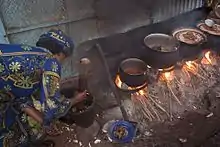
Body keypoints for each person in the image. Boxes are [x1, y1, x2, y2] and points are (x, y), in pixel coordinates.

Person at [0, 29, 87, 147]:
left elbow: (18, 97)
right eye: (65, 58)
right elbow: (53, 106)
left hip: (5, 98)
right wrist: (75, 100)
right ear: (61, 53)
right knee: (10, 135)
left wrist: (44, 122)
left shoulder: (29, 54)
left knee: (17, 122)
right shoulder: (51, 62)